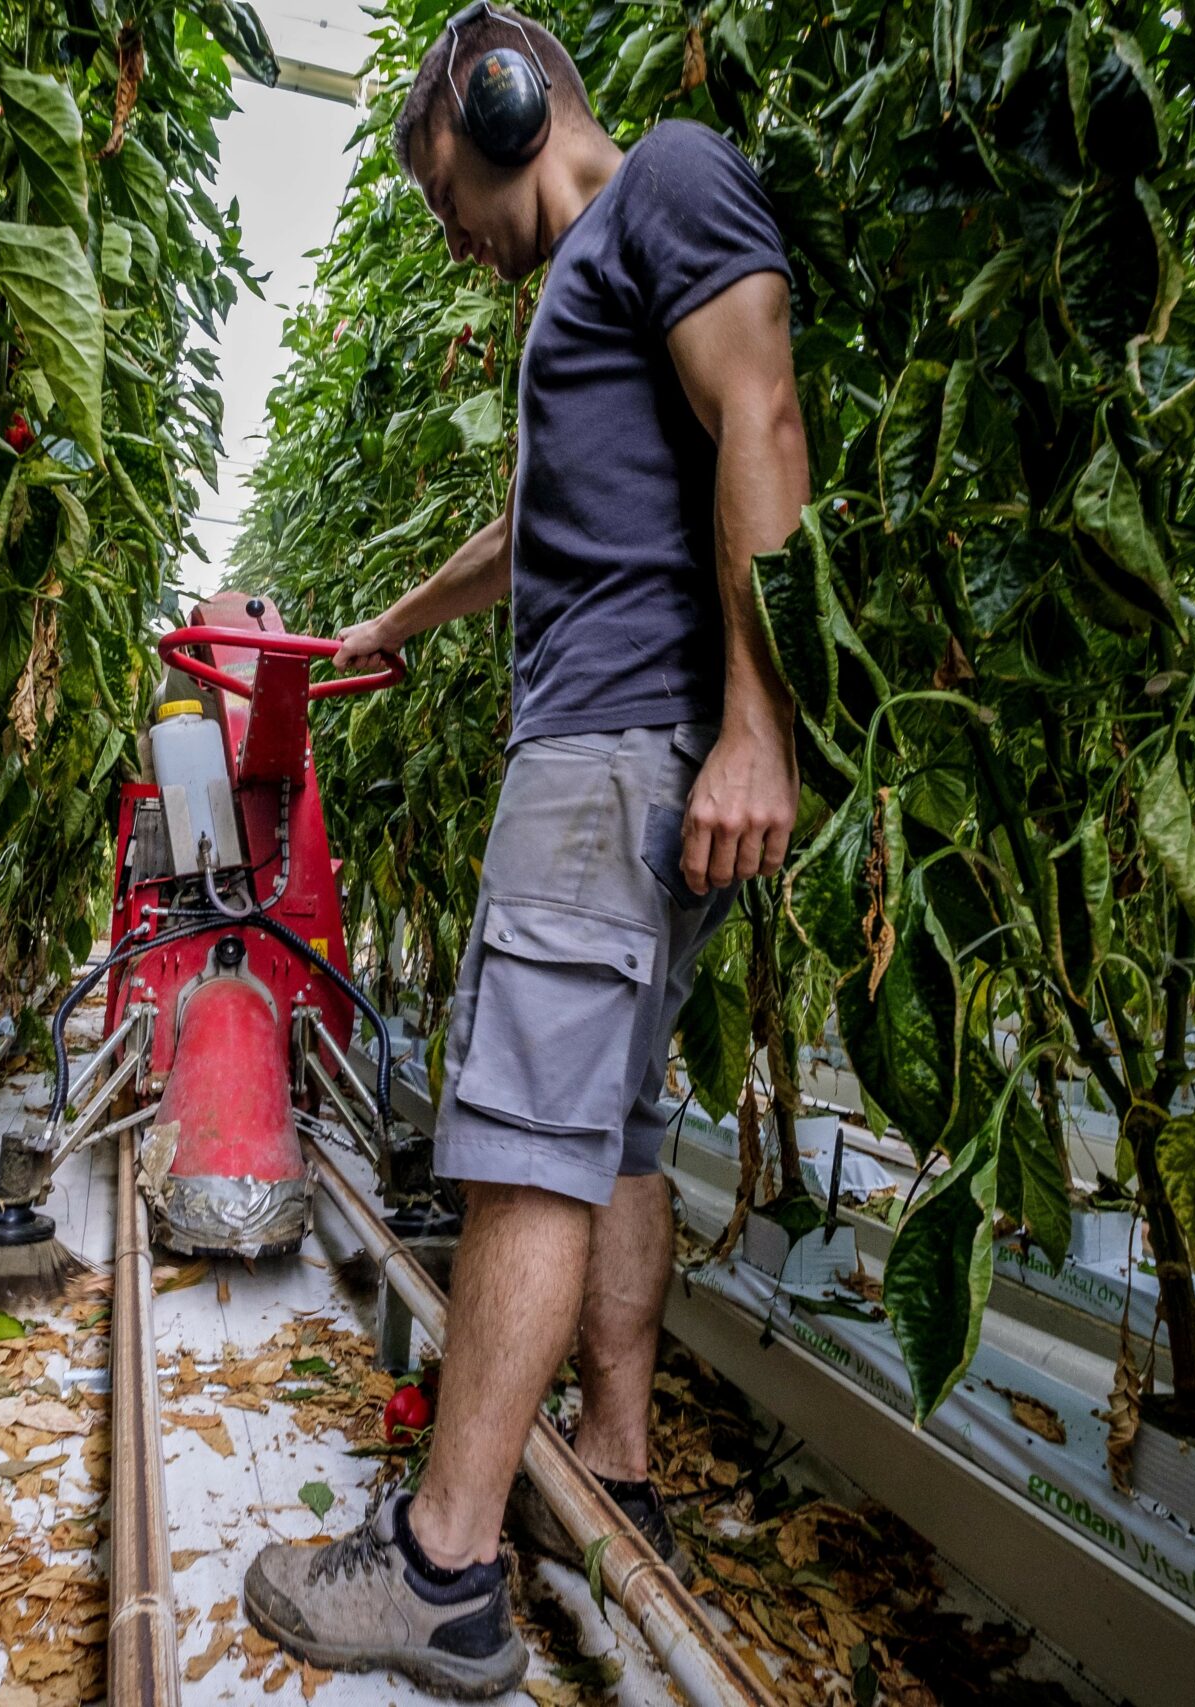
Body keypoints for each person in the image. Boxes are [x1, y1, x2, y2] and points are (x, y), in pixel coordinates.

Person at [242, 4, 809, 1694]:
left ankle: (442, 1564)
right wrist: (386, 625)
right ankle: (611, 1475)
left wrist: (757, 727)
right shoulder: (592, 282)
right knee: (616, 1126)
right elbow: (541, 525)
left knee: (524, 1142)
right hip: (631, 753)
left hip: (615, 755)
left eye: (448, 199)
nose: (458, 238)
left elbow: (761, 422)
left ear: (502, 108)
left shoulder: (666, 192)